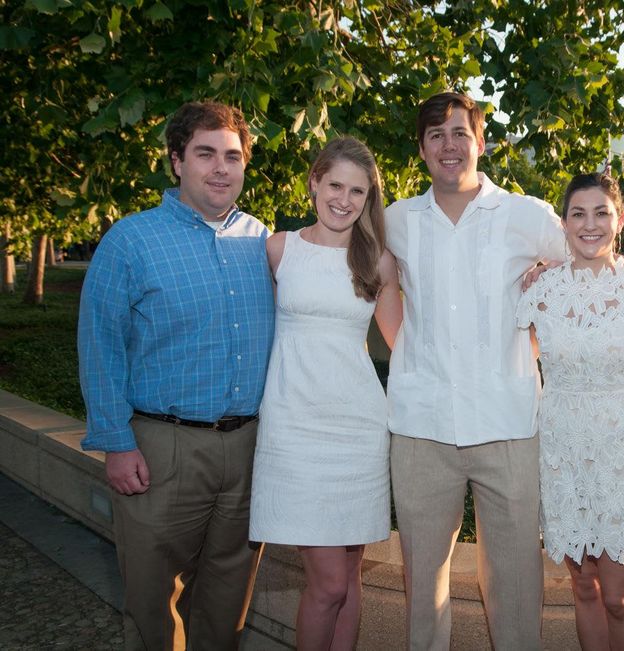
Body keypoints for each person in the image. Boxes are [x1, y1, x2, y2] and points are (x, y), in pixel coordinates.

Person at [78, 101, 275, 650]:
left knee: (228, 590)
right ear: (176, 162)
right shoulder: (131, 240)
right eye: (205, 153)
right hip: (161, 447)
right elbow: (99, 348)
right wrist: (116, 444)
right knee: (151, 597)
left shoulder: (263, 241)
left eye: (232, 156)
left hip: (248, 445)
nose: (220, 168)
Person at [384, 91, 566, 650]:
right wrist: (410, 352)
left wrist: (530, 335)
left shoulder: (525, 214)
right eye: (436, 135)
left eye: (460, 132)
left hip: (508, 423)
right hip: (421, 427)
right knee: (423, 584)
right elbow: (382, 287)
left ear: (481, 141)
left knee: (514, 582)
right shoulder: (395, 219)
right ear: (421, 150)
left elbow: (582, 264)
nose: (449, 145)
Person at [248, 138, 402, 650]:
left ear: (368, 198)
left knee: (349, 578)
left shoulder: (377, 262)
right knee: (328, 583)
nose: (344, 199)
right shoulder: (277, 249)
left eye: (357, 190)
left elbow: (403, 346)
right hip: (294, 428)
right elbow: (254, 334)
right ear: (314, 181)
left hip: (358, 428)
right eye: (335, 184)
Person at [517, 173, 624, 650]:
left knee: (618, 599)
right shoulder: (539, 291)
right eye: (578, 214)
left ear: (620, 219)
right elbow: (516, 369)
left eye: (601, 213)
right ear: (563, 223)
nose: (590, 225)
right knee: (582, 588)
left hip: (623, 451)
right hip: (562, 450)